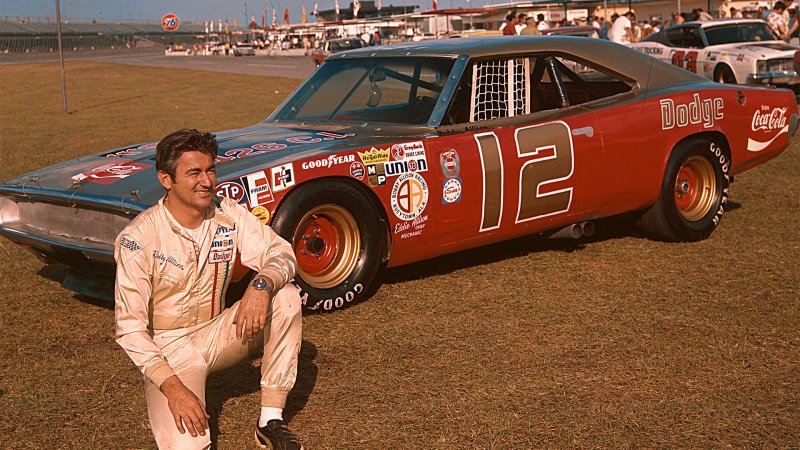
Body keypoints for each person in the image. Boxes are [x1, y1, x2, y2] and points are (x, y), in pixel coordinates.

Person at [114, 129, 304, 450]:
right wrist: (173, 388)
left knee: (284, 296)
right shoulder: (138, 238)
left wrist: (261, 284)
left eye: (210, 169)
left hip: (217, 333)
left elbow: (281, 252)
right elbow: (128, 329)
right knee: (190, 446)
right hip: (168, 351)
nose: (206, 181)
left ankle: (270, 420)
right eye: (193, 172)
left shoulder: (226, 213)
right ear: (166, 179)